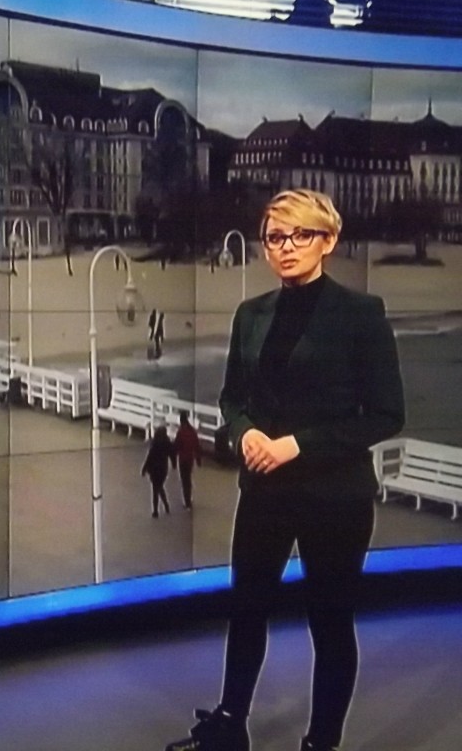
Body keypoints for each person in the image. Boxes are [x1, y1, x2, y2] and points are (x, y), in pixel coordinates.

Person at [166, 190, 405, 751]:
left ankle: (321, 742)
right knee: (246, 610)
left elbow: (387, 414)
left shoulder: (361, 315)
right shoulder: (251, 315)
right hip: (265, 492)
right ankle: (230, 726)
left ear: (329, 241)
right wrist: (244, 432)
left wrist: (296, 445)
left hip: (335, 497)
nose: (287, 247)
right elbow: (231, 399)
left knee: (330, 623)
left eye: (301, 235)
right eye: (276, 237)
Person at [140, 425, 175, 518]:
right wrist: (174, 464)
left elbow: (149, 457)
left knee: (156, 489)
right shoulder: (167, 443)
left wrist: (144, 468)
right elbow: (172, 454)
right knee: (158, 487)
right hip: (163, 468)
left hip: (154, 469)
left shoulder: (155, 444)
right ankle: (165, 505)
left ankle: (156, 509)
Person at [174, 410, 203, 509]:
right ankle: (188, 499)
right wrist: (198, 460)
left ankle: (187, 501)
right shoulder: (192, 432)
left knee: (184, 480)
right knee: (188, 479)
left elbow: (176, 446)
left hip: (182, 459)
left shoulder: (181, 432)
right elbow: (197, 446)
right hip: (190, 459)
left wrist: (173, 459)